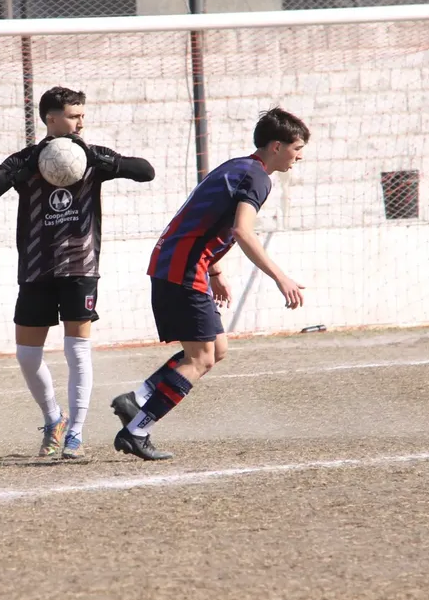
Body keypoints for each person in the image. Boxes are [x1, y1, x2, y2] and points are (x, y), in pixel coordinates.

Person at [110, 107, 310, 460]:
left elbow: (206, 218)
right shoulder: (258, 177)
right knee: (201, 357)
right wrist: (281, 278)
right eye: (297, 147)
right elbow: (241, 231)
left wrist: (215, 271)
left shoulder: (238, 166)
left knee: (216, 349)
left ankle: (139, 398)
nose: (300, 155)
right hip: (183, 269)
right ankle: (137, 430)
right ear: (276, 146)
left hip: (181, 264)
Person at [0, 86, 155, 459]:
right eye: (74, 116)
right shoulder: (25, 160)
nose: (80, 122)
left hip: (80, 266)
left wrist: (109, 162)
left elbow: (146, 172)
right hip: (36, 268)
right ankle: (53, 418)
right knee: (27, 355)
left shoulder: (91, 157)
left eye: (82, 115)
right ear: (50, 118)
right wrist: (23, 171)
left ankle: (75, 432)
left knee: (77, 351)